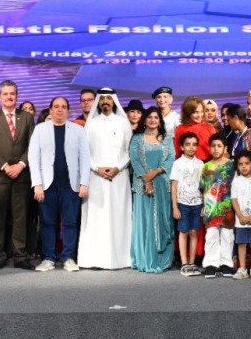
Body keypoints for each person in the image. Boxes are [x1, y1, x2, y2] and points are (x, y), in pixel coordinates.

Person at [30, 97, 90, 272]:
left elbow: (85, 158)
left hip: (71, 185)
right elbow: (33, 157)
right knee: (47, 222)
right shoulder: (40, 129)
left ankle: (68, 258)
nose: (60, 109)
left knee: (70, 222)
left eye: (63, 107)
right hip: (47, 185)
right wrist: (37, 184)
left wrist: (84, 182)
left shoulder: (78, 130)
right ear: (50, 110)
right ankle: (48, 258)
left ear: (68, 111)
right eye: (56, 106)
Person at [0, 80, 35, 271]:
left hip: (22, 175)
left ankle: (20, 256)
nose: (9, 97)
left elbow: (33, 145)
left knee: (20, 218)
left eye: (12, 93)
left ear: (17, 96)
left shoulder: (27, 118)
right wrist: (5, 166)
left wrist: (21, 164)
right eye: (5, 94)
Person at [78, 88, 132, 270]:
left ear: (114, 101)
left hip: (119, 177)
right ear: (98, 102)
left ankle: (121, 259)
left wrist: (118, 167)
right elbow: (84, 152)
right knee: (96, 218)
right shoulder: (91, 124)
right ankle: (94, 259)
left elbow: (129, 151)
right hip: (96, 177)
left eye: (109, 98)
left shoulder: (123, 123)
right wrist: (97, 168)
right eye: (102, 99)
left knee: (118, 217)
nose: (105, 102)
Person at [129, 106, 175, 273]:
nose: (153, 120)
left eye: (156, 117)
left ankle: (162, 258)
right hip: (142, 186)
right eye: (150, 117)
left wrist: (155, 173)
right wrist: (146, 179)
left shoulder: (167, 139)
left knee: (163, 220)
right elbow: (134, 160)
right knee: (145, 221)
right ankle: (144, 258)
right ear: (145, 120)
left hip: (162, 184)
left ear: (160, 120)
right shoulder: (137, 138)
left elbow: (171, 158)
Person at [199, 135, 235, 276]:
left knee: (227, 235)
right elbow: (202, 188)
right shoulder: (206, 166)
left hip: (227, 206)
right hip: (211, 207)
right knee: (211, 236)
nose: (216, 149)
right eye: (213, 146)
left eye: (219, 146)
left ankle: (226, 264)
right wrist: (203, 206)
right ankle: (210, 264)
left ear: (225, 148)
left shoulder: (231, 165)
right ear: (209, 148)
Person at [171, 131, 204, 276]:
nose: (191, 147)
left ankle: (192, 263)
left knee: (194, 232)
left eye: (194, 144)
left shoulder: (200, 164)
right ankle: (184, 263)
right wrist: (175, 207)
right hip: (182, 203)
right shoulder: (177, 163)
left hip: (197, 203)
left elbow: (203, 186)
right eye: (188, 144)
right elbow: (174, 186)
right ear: (182, 147)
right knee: (183, 232)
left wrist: (203, 204)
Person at [230, 150, 251, 280]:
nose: (244, 166)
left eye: (247, 163)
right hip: (240, 220)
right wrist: (241, 216)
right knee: (241, 243)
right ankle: (242, 268)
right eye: (240, 164)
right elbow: (234, 200)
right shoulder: (236, 181)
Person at [173, 96, 216, 160]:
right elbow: (177, 152)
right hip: (187, 164)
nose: (199, 115)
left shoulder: (210, 129)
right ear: (188, 113)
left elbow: (215, 150)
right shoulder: (180, 129)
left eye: (201, 111)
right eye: (196, 112)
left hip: (207, 164)